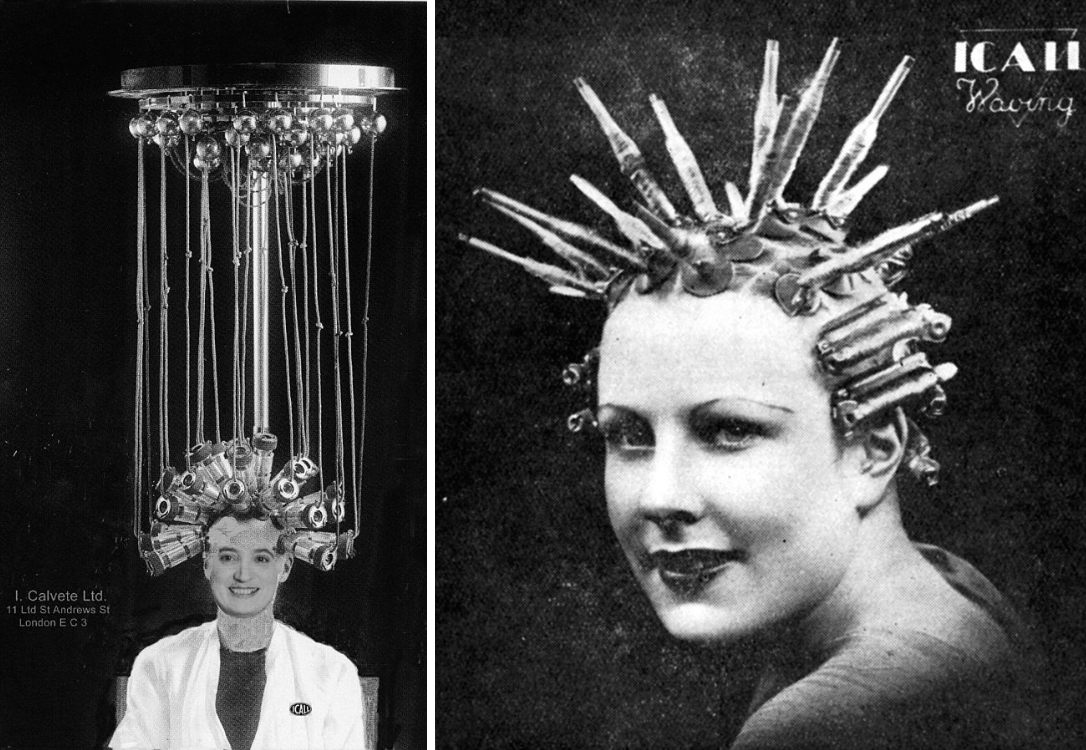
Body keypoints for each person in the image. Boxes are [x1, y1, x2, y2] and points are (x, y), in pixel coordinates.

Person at [463, 39, 1041, 749]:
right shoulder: (949, 590)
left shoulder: (821, 728)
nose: (659, 497)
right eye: (628, 435)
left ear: (874, 447)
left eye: (729, 430)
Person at [109, 512, 365, 750]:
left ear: (284, 567)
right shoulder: (161, 664)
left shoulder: (332, 673)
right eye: (228, 557)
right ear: (207, 564)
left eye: (261, 558)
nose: (243, 574)